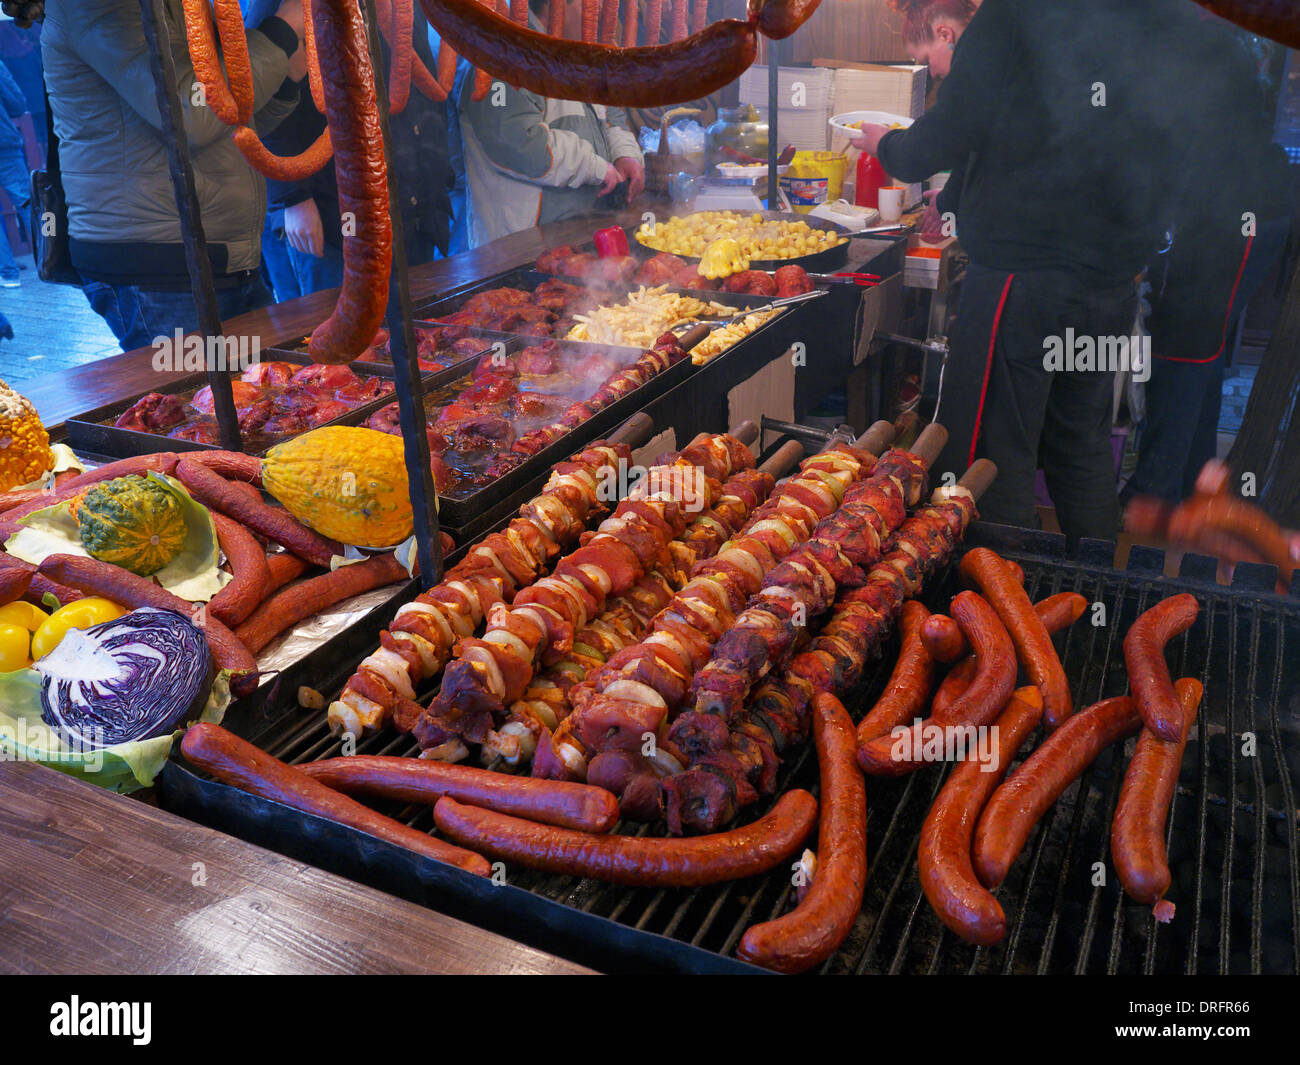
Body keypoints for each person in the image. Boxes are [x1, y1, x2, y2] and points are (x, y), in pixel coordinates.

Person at [852, 0, 1206, 547]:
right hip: (1111, 281)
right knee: (1080, 441)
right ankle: (1096, 601)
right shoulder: (1137, 18)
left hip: (1025, 279)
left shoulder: (1012, 13)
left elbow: (954, 128)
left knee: (997, 449)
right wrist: (958, 195)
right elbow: (1029, 132)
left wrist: (888, 146)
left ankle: (1008, 601)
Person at [40, 0, 305, 352]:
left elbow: (233, 127)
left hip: (221, 257)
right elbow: (192, 115)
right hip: (159, 268)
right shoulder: (99, 7)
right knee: (201, 404)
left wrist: (285, 78)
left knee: (262, 398)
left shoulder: (184, 7)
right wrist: (281, 32)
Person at [1122, 17, 1293, 504]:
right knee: (1201, 347)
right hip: (1234, 212)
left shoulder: (1191, 45)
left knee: (1186, 343)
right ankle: (1187, 482)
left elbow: (1168, 149)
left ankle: (1153, 495)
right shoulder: (1189, 42)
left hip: (1244, 216)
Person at [257, 4, 455, 299]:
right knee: (342, 330)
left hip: (414, 202)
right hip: (334, 210)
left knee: (419, 328)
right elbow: (269, 88)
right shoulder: (282, 5)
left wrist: (434, 173)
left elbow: (417, 73)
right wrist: (292, 197)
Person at [454, 0, 644, 248]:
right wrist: (597, 168)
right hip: (523, 249)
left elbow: (611, 115)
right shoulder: (501, 55)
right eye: (591, 5)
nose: (601, 13)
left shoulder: (577, 51)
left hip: (581, 232)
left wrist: (625, 155)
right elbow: (511, 140)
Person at [0, 60, 31, 289]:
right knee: (30, 205)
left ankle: (8, 273)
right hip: (4, 143)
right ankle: (52, 260)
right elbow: (17, 103)